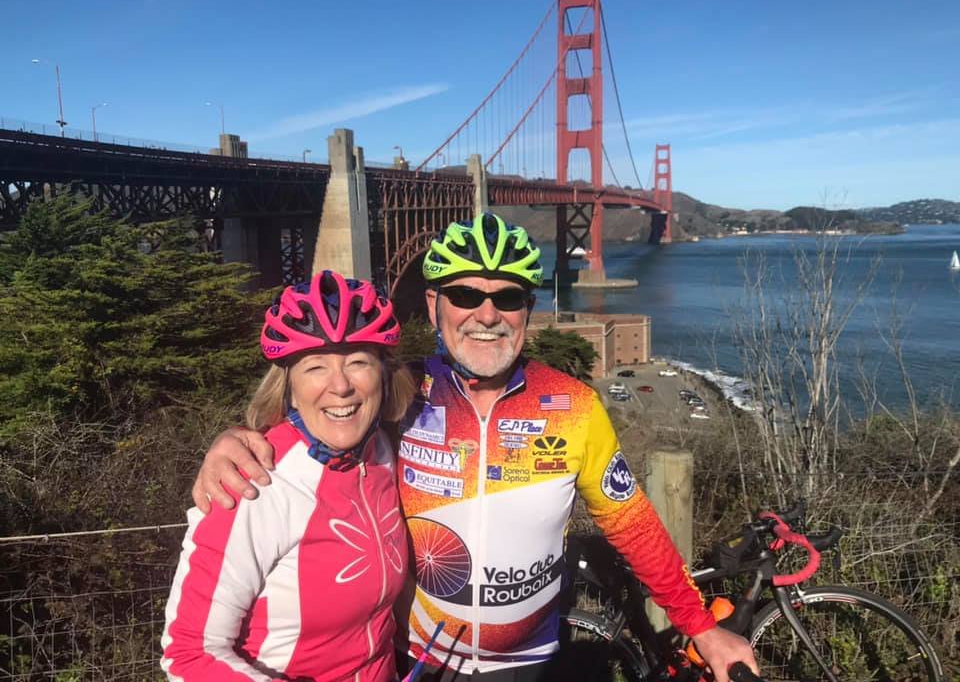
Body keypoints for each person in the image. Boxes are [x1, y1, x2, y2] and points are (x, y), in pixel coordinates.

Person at [193, 213, 760, 682]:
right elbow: (321, 416)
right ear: (436, 305)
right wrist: (238, 441)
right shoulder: (401, 392)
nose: (487, 315)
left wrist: (701, 626)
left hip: (534, 662)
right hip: (418, 661)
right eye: (466, 294)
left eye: (507, 298)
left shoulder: (575, 405)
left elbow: (631, 524)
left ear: (526, 311)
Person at [162, 270, 415, 681]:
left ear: (384, 377)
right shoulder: (255, 482)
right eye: (315, 367)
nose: (341, 386)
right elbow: (188, 654)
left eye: (357, 363)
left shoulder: (384, 452)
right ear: (290, 388)